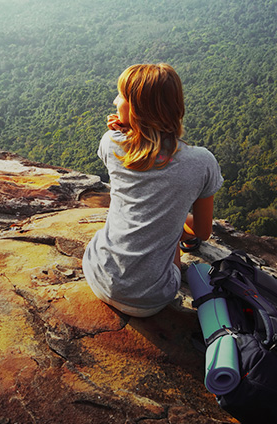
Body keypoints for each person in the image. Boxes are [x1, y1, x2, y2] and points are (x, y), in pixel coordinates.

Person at [82, 63, 223, 317]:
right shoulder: (202, 162)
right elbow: (203, 231)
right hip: (150, 301)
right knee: (172, 242)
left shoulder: (111, 142)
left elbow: (141, 164)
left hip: (99, 277)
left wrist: (125, 130)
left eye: (122, 97)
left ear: (137, 110)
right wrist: (176, 223)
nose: (115, 101)